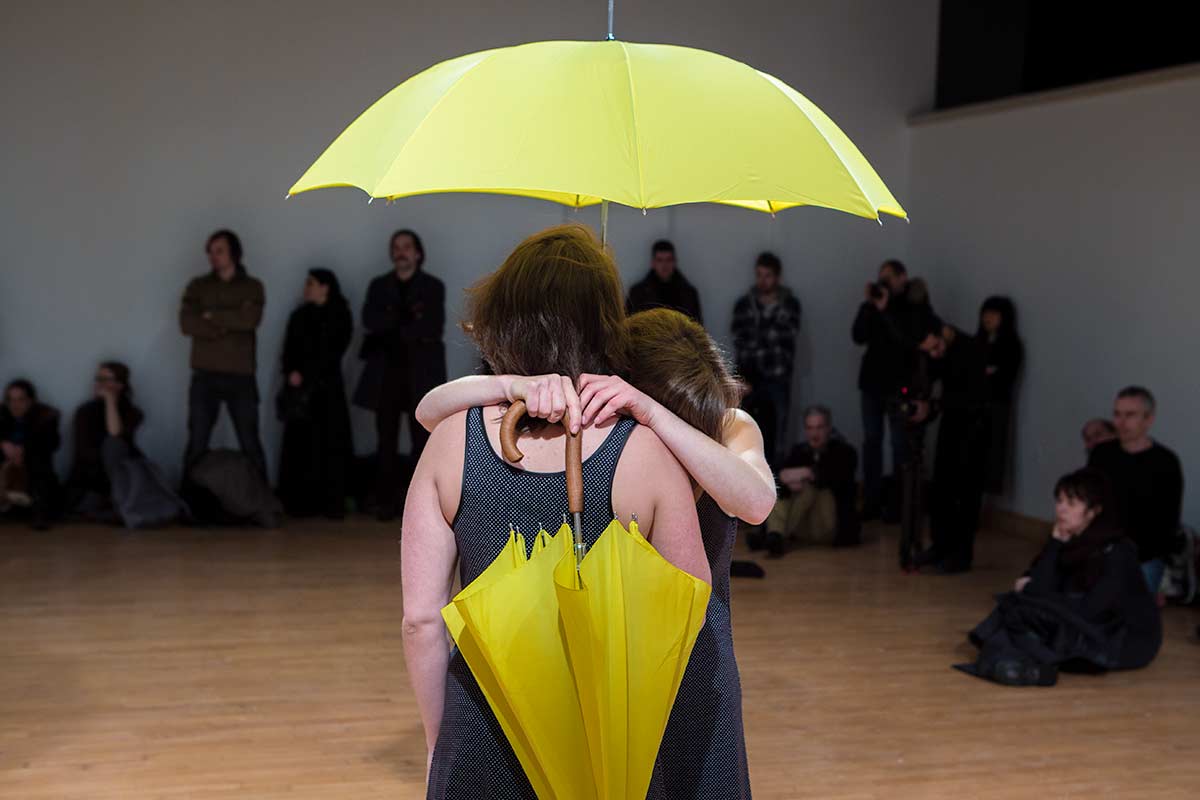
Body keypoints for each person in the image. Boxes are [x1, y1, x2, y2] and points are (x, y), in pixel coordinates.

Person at [401, 225, 713, 799]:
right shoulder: (645, 453)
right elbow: (689, 603)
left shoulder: (451, 441)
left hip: (480, 739)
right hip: (603, 737)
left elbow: (421, 622)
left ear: (502, 321)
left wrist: (435, 742)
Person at [416, 306, 775, 798]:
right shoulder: (620, 434)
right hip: (624, 661)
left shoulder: (730, 426)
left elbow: (756, 502)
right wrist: (511, 386)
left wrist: (655, 416)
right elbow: (430, 409)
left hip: (697, 657)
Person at [956, 469, 1161, 686]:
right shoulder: (1067, 541)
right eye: (1059, 501)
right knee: (1017, 609)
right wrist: (1054, 545)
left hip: (1121, 641)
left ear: (1093, 511)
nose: (1060, 509)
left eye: (1071, 503)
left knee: (1022, 613)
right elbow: (1039, 583)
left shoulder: (1117, 551)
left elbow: (1090, 608)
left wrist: (1034, 592)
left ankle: (1011, 663)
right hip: (1085, 624)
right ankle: (1020, 667)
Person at [355, 229, 446, 521]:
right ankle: (386, 502)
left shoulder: (432, 286)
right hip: (388, 374)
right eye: (396, 247)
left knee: (422, 439)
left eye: (406, 247)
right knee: (386, 440)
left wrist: (394, 323)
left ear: (418, 252)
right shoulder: (379, 285)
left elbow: (430, 327)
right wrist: (406, 320)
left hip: (420, 374)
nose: (401, 252)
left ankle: (420, 506)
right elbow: (371, 321)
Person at [179, 229, 269, 484]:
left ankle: (263, 502)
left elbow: (250, 319)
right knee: (197, 439)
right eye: (210, 251)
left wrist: (211, 315)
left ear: (234, 253)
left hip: (240, 375)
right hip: (205, 375)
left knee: (249, 440)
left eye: (219, 250)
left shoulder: (252, 286)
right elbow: (187, 324)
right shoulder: (198, 286)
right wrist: (231, 320)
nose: (213, 256)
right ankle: (190, 501)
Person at [1088, 387, 1184, 594]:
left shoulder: (1165, 463)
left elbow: (1167, 521)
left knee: (1133, 618)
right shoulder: (1102, 455)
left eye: (1130, 415)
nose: (1121, 422)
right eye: (1117, 414)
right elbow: (1088, 499)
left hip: (1143, 557)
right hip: (1101, 549)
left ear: (1148, 420)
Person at [277, 269, 354, 519]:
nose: (306, 288)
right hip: (301, 393)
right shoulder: (299, 316)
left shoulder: (340, 315)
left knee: (330, 444)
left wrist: (306, 372)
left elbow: (333, 351)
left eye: (311, 283)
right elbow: (289, 350)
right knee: (300, 444)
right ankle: (299, 503)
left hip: (328, 390)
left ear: (325, 287)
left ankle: (331, 503)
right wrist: (291, 372)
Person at [914, 323, 990, 573]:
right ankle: (940, 545)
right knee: (942, 487)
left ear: (943, 333)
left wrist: (935, 403)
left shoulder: (972, 350)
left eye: (936, 348)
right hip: (952, 424)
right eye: (929, 351)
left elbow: (973, 396)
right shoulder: (942, 353)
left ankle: (960, 553)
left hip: (974, 428)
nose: (934, 354)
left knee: (965, 493)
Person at [851, 259, 917, 521]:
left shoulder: (910, 306)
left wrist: (886, 309)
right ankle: (871, 502)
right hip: (872, 384)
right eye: (881, 278)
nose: (883, 284)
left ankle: (899, 506)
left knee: (900, 445)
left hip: (898, 384)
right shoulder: (872, 305)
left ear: (902, 278)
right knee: (872, 443)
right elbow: (857, 336)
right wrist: (871, 306)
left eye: (889, 278)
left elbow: (907, 339)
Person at [758, 405, 859, 557]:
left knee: (809, 487)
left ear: (829, 428)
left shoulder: (844, 452)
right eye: (810, 428)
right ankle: (775, 535)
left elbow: (834, 478)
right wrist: (789, 481)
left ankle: (773, 534)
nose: (814, 433)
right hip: (804, 526)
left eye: (819, 427)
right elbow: (781, 475)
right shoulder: (799, 451)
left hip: (831, 525)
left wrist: (806, 474)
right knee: (780, 490)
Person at [732, 251, 801, 466]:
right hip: (749, 379)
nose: (763, 280)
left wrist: (760, 340)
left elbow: (784, 338)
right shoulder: (744, 304)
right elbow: (740, 339)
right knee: (746, 434)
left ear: (777, 277)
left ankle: (776, 486)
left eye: (767, 275)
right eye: (759, 275)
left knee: (778, 434)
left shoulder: (789, 304)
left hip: (777, 378)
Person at [64, 362, 144, 519]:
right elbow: (84, 454)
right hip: (93, 479)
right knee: (87, 504)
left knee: (113, 445)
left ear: (120, 385)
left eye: (105, 379)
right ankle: (115, 506)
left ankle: (118, 504)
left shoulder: (133, 413)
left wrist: (110, 402)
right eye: (98, 379)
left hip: (121, 478)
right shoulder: (84, 412)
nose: (99, 384)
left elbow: (116, 434)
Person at [977, 296, 1023, 493]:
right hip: (974, 403)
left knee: (992, 453)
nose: (988, 318)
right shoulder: (976, 342)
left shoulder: (1011, 344)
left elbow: (1004, 374)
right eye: (985, 313)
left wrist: (990, 372)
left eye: (994, 314)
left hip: (996, 404)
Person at [0, 379, 61, 530]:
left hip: (33, 466)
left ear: (30, 401)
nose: (15, 405)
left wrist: (25, 449)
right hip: (4, 464)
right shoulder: (2, 415)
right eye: (11, 400)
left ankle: (40, 512)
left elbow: (53, 443)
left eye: (21, 400)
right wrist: (2, 443)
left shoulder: (46, 416)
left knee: (38, 461)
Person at [626, 239, 703, 323]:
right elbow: (629, 325)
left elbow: (698, 327)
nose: (664, 265)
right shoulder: (637, 293)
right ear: (653, 263)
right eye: (660, 260)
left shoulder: (688, 294)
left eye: (668, 260)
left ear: (674, 262)